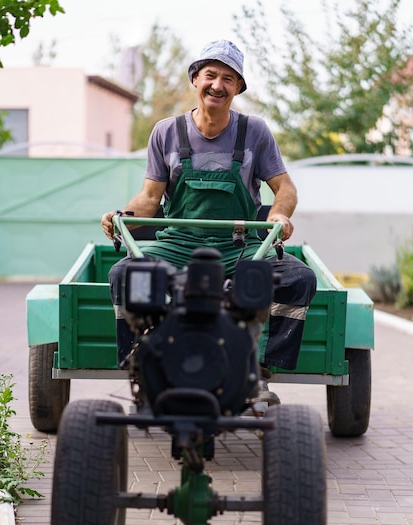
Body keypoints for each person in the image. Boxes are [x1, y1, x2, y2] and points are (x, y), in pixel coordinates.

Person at [101, 40, 316, 395]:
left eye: (228, 79)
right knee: (125, 274)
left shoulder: (255, 132)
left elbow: (285, 188)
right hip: (177, 245)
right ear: (195, 79)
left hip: (240, 247)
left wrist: (279, 216)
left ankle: (258, 366)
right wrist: (120, 216)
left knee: (299, 279)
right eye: (210, 75)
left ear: (238, 88)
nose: (218, 85)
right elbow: (150, 199)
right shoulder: (166, 132)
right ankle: (142, 358)